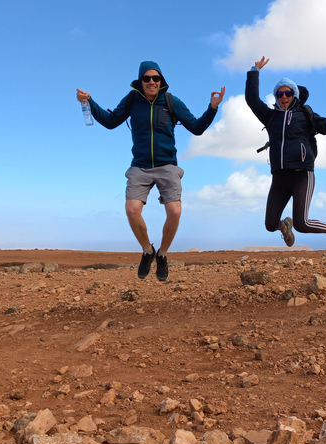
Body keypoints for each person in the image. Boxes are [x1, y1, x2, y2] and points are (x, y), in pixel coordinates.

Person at [76, 61, 225, 281]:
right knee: (132, 210)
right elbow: (110, 122)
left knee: (174, 211)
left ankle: (162, 254)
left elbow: (197, 128)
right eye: (147, 78)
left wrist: (212, 107)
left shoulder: (171, 101)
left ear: (161, 81)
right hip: (140, 165)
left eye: (156, 78)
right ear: (140, 81)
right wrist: (89, 101)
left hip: (167, 165)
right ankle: (148, 251)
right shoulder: (131, 100)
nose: (152, 82)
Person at [245, 56, 326, 252]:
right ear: (276, 97)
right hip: (279, 176)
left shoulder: (306, 114)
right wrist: (254, 71)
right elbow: (251, 100)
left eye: (287, 93)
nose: (283, 97)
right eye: (279, 94)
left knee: (303, 223)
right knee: (270, 224)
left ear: (294, 94)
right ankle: (285, 227)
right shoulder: (271, 117)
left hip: (302, 174)